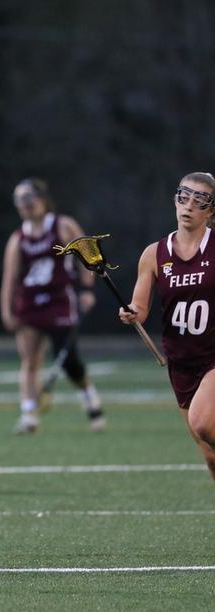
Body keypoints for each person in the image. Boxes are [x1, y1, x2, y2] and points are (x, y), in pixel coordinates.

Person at [120, 172, 215, 480]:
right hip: (181, 362)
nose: (188, 206)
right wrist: (132, 313)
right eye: (183, 196)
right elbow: (141, 306)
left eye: (199, 201)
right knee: (209, 454)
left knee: (203, 423)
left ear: (211, 211)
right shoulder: (154, 254)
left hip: (213, 356)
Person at [0, 178, 104, 434]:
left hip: (59, 301)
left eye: (28, 199)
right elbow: (10, 278)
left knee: (67, 359)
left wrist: (87, 289)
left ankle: (88, 395)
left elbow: (88, 254)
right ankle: (28, 415)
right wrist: (7, 310)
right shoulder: (18, 238)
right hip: (30, 304)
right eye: (18, 201)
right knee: (29, 361)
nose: (23, 205)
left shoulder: (63, 226)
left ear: (42, 199)